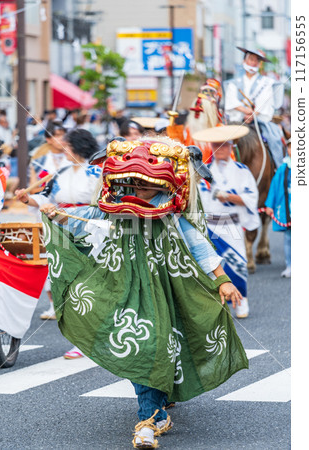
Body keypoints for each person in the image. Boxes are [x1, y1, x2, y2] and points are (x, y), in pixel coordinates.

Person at [41, 136, 248, 448]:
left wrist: (222, 279)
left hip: (167, 285)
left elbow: (199, 246)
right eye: (132, 182)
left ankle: (150, 416)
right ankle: (151, 415)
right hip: (122, 282)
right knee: (143, 343)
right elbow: (83, 218)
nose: (137, 187)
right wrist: (52, 212)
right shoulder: (115, 205)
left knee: (158, 342)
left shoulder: (171, 213)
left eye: (144, 183)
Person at [15, 129, 101, 335]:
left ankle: (94, 321)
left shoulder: (96, 172)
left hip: (88, 227)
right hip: (61, 226)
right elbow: (46, 197)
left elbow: (100, 204)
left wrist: (69, 212)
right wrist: (28, 199)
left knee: (88, 275)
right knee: (62, 272)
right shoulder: (61, 172)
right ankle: (74, 320)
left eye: (68, 146)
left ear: (79, 147)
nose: (64, 149)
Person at [193, 125, 260, 319]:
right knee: (211, 266)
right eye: (217, 145)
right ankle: (218, 306)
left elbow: (250, 198)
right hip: (209, 225)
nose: (220, 149)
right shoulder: (202, 171)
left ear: (231, 147)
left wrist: (227, 196)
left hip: (231, 224)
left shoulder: (241, 170)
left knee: (237, 265)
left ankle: (241, 301)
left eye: (225, 145)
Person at [224, 47, 284, 168]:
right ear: (244, 61)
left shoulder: (267, 83)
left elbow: (265, 101)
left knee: (275, 139)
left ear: (259, 64)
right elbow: (231, 101)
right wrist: (246, 111)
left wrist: (253, 115)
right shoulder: (234, 83)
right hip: (237, 121)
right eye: (251, 59)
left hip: (259, 121)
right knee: (220, 141)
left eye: (257, 60)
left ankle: (278, 169)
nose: (253, 62)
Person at [265, 139, 291, 278]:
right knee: (288, 238)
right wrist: (270, 204)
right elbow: (275, 186)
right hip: (287, 207)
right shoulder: (283, 168)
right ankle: (289, 265)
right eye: (290, 148)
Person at [29, 121, 70, 193]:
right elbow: (32, 191)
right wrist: (50, 187)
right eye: (57, 135)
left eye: (64, 135)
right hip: (45, 202)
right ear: (48, 139)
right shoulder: (39, 161)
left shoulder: (73, 158)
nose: (62, 138)